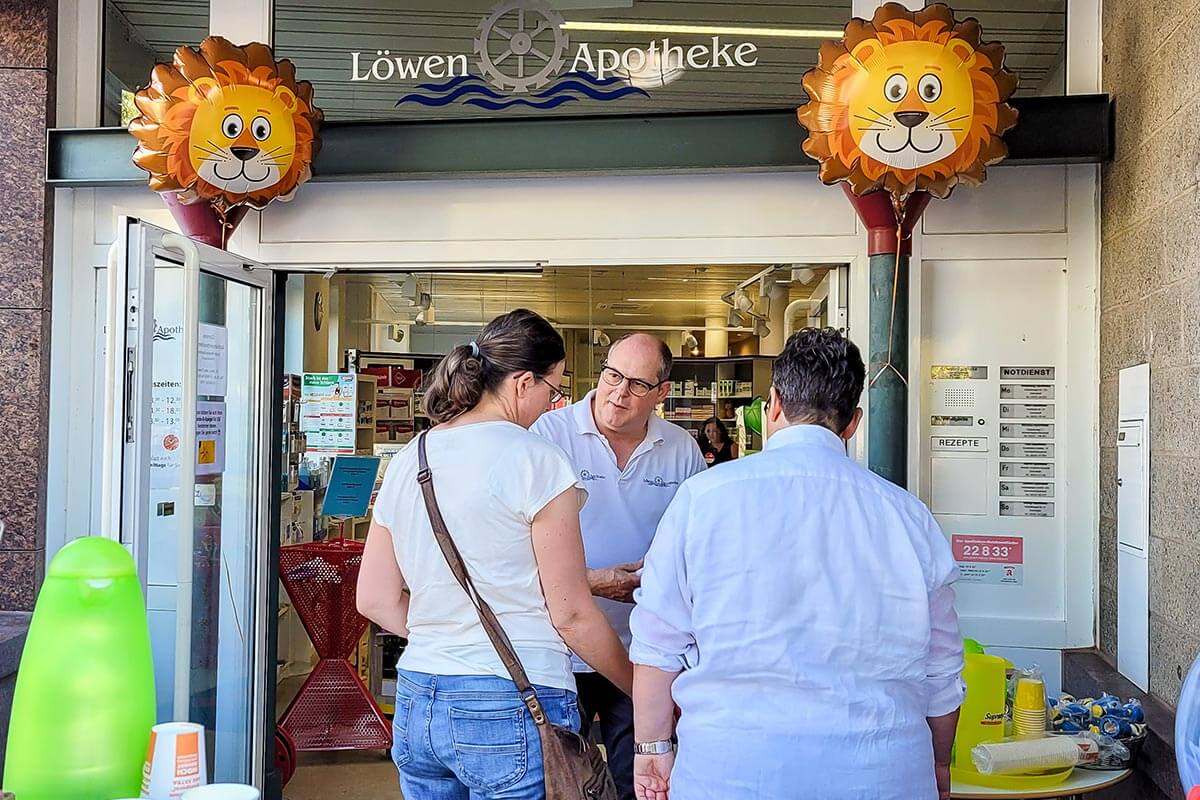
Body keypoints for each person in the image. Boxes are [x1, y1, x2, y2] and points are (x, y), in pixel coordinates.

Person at [629, 327, 964, 800]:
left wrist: (653, 747)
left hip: (730, 773)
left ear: (774, 404)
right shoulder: (909, 517)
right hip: (882, 775)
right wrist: (939, 764)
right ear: (853, 423)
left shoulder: (702, 499)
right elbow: (942, 674)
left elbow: (657, 646)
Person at [357, 309, 634, 800]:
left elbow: (375, 599)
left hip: (420, 697)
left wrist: (444, 633)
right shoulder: (539, 461)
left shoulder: (410, 459)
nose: (555, 402)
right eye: (555, 389)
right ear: (524, 382)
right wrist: (641, 688)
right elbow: (569, 613)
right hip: (516, 702)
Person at [532, 333, 707, 800]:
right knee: (562, 779)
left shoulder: (681, 448)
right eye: (612, 375)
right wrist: (589, 582)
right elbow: (513, 545)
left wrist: (661, 579)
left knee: (641, 778)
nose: (618, 392)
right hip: (560, 646)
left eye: (636, 384)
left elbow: (697, 544)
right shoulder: (549, 435)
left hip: (645, 649)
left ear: (662, 392)